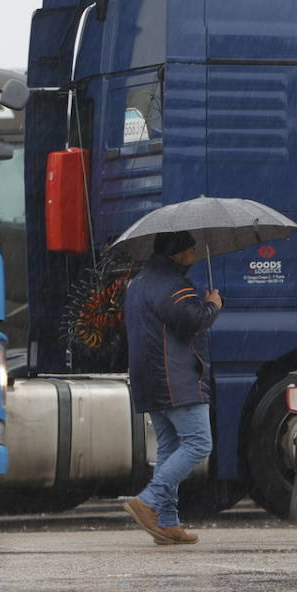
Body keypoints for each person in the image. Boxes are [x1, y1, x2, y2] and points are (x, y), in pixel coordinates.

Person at [122, 230, 223, 545]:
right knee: (198, 444)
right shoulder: (173, 285)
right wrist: (212, 305)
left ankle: (167, 522)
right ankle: (148, 501)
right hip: (176, 378)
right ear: (178, 253)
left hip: (149, 379)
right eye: (190, 249)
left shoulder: (138, 284)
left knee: (168, 447)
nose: (194, 254)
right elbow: (190, 321)